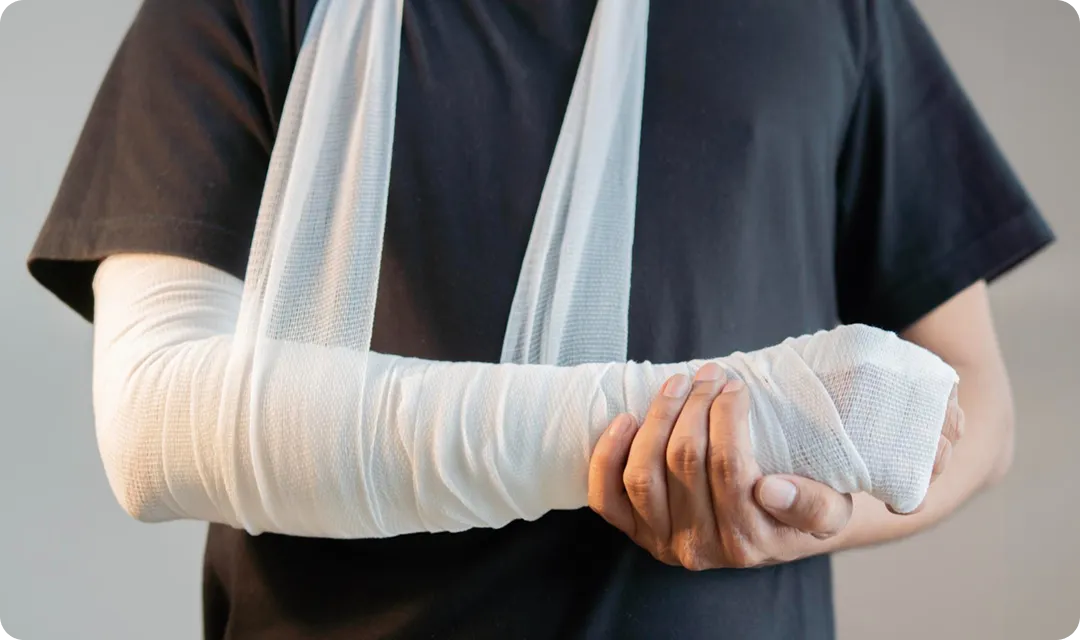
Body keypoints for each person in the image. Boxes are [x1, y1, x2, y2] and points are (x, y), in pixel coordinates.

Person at [27, 0, 1054, 638]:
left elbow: (973, 409)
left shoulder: (830, 11)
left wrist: (812, 509)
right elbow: (158, 423)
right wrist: (753, 416)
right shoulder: (239, 7)